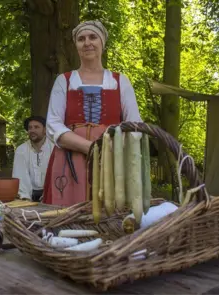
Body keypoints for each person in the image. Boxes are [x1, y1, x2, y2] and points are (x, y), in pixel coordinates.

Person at [42, 20, 142, 207]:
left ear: (102, 42)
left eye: (93, 37)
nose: (87, 43)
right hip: (70, 158)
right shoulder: (64, 81)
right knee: (67, 216)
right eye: (81, 39)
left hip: (110, 157)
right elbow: (53, 124)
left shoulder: (120, 81)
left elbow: (135, 125)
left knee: (109, 213)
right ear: (76, 46)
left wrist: (114, 149)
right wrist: (90, 148)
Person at [12, 116, 54, 201]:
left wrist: (47, 196)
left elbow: (57, 175)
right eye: (30, 128)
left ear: (45, 130)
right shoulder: (21, 150)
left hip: (51, 195)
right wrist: (25, 199)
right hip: (28, 195)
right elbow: (20, 175)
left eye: (36, 127)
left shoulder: (54, 148)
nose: (32, 130)